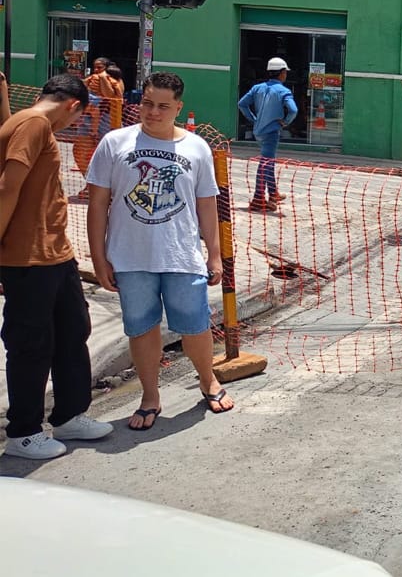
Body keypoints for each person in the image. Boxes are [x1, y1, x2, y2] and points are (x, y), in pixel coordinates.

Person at [86, 71, 232, 431]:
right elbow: (97, 204)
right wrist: (97, 257)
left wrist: (214, 254)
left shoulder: (196, 148)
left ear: (178, 108)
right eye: (147, 104)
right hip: (129, 257)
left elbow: (207, 206)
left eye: (163, 106)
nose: (153, 112)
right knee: (141, 327)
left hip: (181, 255)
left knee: (194, 325)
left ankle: (208, 380)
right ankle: (150, 396)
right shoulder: (114, 143)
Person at [1, 74, 114, 459]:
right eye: (77, 118)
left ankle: (69, 415)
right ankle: (24, 432)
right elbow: (7, 186)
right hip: (28, 256)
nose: (73, 126)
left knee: (72, 331)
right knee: (31, 344)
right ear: (72, 105)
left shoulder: (25, 121)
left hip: (56, 254)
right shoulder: (33, 124)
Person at [238, 57, 298, 213]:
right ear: (282, 73)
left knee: (268, 162)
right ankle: (258, 198)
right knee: (265, 163)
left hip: (258, 131)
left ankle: (273, 193)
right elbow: (293, 110)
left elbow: (242, 104)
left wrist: (253, 119)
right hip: (271, 132)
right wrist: (285, 122)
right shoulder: (284, 91)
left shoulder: (257, 88)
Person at [72, 58, 126, 200]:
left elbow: (111, 96)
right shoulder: (92, 79)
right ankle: (91, 185)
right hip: (89, 115)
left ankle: (108, 190)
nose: (96, 70)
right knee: (79, 151)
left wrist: (103, 79)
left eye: (100, 67)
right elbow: (82, 88)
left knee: (107, 155)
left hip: (108, 119)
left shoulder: (115, 80)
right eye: (95, 67)